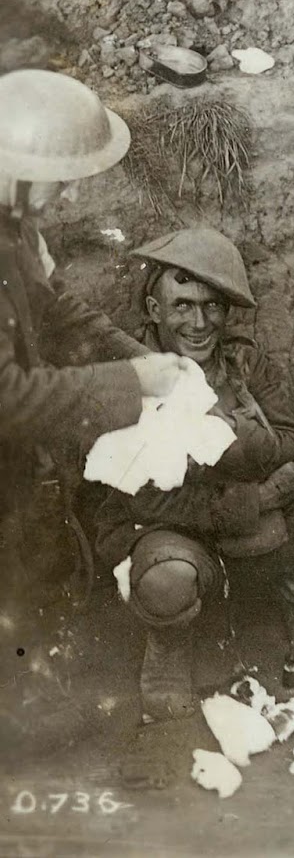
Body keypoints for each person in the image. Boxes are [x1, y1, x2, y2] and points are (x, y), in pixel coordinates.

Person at [94, 227, 294, 721]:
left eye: (212, 306)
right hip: (180, 535)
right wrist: (262, 494)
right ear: (154, 312)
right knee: (168, 578)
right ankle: (169, 644)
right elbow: (145, 501)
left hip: (259, 529)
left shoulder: (242, 361)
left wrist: (228, 429)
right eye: (182, 305)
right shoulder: (128, 382)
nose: (199, 322)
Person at [0, 69, 186, 758]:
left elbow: (51, 310)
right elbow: (9, 396)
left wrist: (144, 360)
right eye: (61, 178)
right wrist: (131, 383)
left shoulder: (14, 227)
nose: (74, 194)